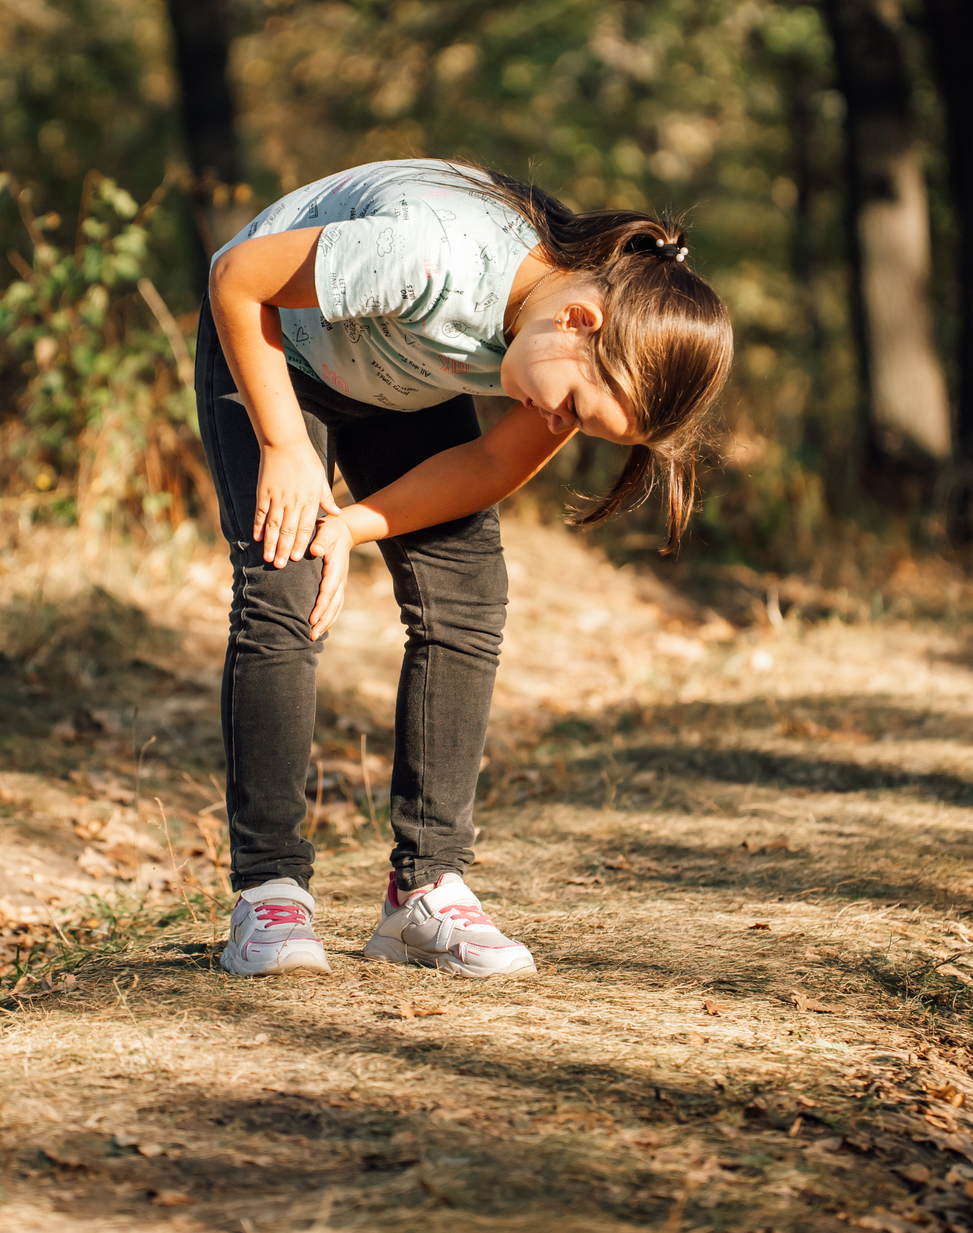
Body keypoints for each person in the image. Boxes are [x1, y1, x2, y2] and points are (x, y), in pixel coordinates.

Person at [196, 158, 732, 978]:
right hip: (274, 340)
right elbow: (235, 277)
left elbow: (485, 467)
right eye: (576, 412)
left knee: (467, 592)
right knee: (283, 575)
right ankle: (269, 893)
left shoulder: (566, 345)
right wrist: (284, 445)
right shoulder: (431, 256)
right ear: (580, 321)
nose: (560, 427)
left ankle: (424, 891)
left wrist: (355, 524)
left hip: (395, 374)